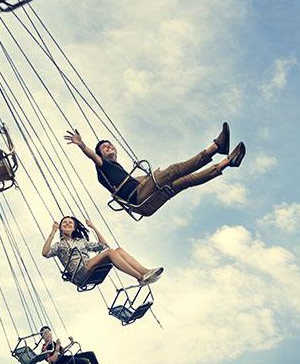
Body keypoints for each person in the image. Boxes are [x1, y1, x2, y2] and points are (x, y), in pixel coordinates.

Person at [64, 122, 246, 217]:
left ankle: (228, 162)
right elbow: (92, 157)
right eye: (104, 147)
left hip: (145, 206)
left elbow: (137, 180)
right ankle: (216, 147)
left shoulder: (119, 174)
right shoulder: (103, 166)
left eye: (110, 145)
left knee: (185, 181)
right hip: (139, 198)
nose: (108, 147)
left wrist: (145, 177)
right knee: (173, 170)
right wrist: (81, 145)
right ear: (101, 155)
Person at [42, 216, 163, 286]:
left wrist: (93, 227)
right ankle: (140, 277)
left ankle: (145, 271)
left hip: (88, 267)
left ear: (74, 227)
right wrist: (52, 232)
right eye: (65, 223)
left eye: (70, 223)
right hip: (78, 273)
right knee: (110, 253)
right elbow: (45, 253)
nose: (67, 224)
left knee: (118, 250)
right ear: (61, 227)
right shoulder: (59, 245)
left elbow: (103, 245)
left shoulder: (81, 241)